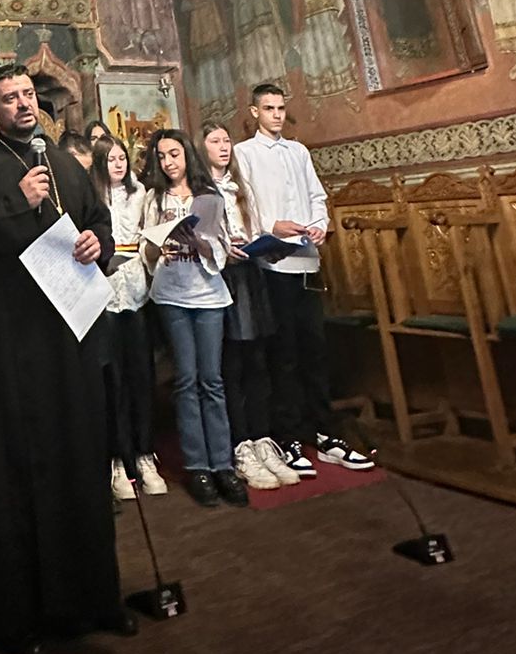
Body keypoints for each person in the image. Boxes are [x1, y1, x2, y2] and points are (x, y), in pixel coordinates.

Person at [0, 64, 133, 654]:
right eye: (10, 98)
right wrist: (15, 201)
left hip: (71, 335)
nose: (24, 104)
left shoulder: (66, 164)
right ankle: (19, 618)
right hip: (14, 340)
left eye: (28, 94)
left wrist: (98, 243)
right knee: (20, 465)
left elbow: (98, 220)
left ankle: (91, 601)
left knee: (79, 455)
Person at [233, 84, 373, 476]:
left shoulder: (298, 151)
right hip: (274, 264)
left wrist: (319, 225)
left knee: (315, 350)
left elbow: (316, 196)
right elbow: (245, 203)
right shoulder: (244, 153)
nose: (277, 114)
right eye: (269, 108)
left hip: (308, 261)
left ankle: (326, 434)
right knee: (284, 355)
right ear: (254, 112)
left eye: (281, 108)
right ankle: (289, 437)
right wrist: (270, 225)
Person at [138, 129, 243, 508]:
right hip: (172, 295)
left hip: (209, 296)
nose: (168, 162)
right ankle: (198, 466)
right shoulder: (154, 198)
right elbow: (145, 249)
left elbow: (222, 250)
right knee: (186, 380)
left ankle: (223, 465)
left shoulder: (208, 196)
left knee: (212, 380)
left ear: (186, 155)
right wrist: (158, 246)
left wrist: (199, 242)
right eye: (161, 156)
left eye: (174, 154)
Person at [201, 123, 293, 493]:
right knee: (232, 364)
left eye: (226, 141)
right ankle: (240, 445)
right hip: (222, 279)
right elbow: (201, 237)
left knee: (258, 360)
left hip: (251, 276)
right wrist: (225, 248)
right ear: (202, 148)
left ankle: (262, 439)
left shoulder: (241, 187)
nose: (224, 147)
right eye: (215, 141)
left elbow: (254, 224)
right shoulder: (202, 190)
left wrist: (264, 244)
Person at [91, 136, 164, 502]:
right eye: (110, 159)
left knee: (140, 376)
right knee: (113, 381)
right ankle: (118, 460)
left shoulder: (142, 195)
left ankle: (145, 454)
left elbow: (150, 237)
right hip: (102, 294)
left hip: (136, 291)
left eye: (122, 157)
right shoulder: (91, 197)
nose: (118, 164)